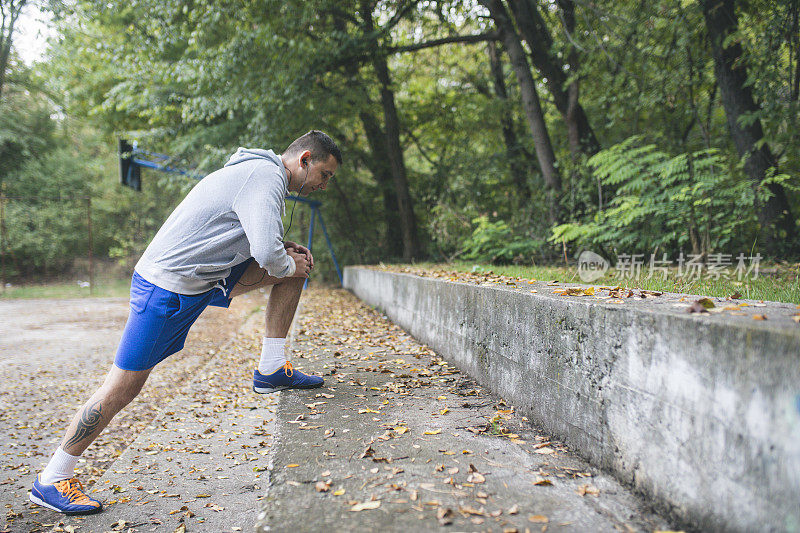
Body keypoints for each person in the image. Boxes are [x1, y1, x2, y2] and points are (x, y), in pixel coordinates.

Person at [29, 130, 341, 515]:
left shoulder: (259, 173)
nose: (324, 185)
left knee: (297, 266)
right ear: (305, 159)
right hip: (167, 289)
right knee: (123, 388)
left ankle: (272, 366)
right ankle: (52, 477)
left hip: (203, 278)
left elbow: (259, 243)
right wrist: (281, 259)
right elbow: (264, 249)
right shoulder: (265, 176)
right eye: (324, 174)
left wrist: (286, 259)